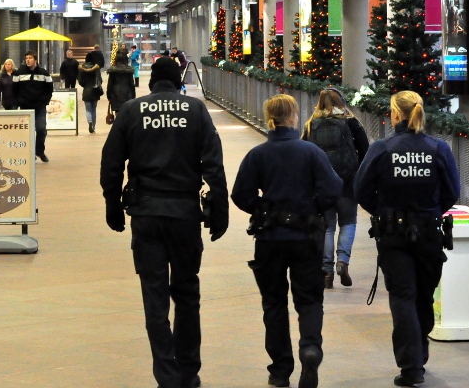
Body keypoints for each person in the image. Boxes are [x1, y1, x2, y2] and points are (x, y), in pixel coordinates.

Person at [100, 57, 228, 388]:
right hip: (185, 214)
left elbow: (111, 163)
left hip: (146, 215)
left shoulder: (131, 111)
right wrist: (221, 207)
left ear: (153, 81)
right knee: (187, 294)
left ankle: (167, 375)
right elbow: (214, 161)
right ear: (177, 81)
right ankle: (189, 371)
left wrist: (112, 205)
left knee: (154, 297)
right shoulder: (196, 111)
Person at [231, 94, 342, 388]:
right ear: (293, 116)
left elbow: (240, 194)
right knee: (309, 299)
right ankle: (310, 347)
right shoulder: (311, 152)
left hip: (269, 238)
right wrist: (314, 207)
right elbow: (333, 188)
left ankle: (280, 370)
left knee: (274, 303)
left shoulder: (258, 154)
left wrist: (262, 209)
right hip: (306, 237)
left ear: (269, 118)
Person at [354, 90, 461, 387]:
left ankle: (411, 365)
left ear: (395, 115)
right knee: (424, 295)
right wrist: (432, 211)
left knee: (403, 296)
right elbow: (453, 191)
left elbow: (361, 189)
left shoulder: (382, 148)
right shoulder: (439, 149)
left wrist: (383, 211)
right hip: (429, 234)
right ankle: (419, 354)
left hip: (393, 235)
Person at [302, 87, 369, 289]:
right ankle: (343, 261)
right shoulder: (351, 122)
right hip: (348, 182)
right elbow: (365, 150)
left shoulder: (311, 124)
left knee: (328, 226)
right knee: (348, 222)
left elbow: (305, 152)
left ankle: (327, 272)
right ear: (342, 102)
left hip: (322, 184)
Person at [13, 51, 54, 162]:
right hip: (25, 107)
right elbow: (14, 89)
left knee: (41, 129)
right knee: (27, 132)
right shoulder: (19, 73)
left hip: (39, 107)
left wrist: (45, 101)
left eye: (30, 58)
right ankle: (30, 153)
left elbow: (49, 89)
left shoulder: (43, 73)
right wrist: (18, 102)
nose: (28, 60)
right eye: (26, 58)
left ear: (35, 60)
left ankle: (39, 151)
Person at [78, 55, 102, 134]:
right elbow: (100, 80)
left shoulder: (82, 68)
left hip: (86, 91)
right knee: (94, 109)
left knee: (88, 109)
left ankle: (90, 122)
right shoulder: (96, 68)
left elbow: (80, 81)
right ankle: (93, 127)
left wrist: (85, 85)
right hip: (95, 91)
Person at [106, 53, 136, 117]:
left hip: (115, 94)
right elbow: (132, 85)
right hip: (128, 94)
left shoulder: (113, 71)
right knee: (127, 113)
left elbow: (110, 85)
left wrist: (109, 96)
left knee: (118, 113)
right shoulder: (129, 71)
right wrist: (133, 96)